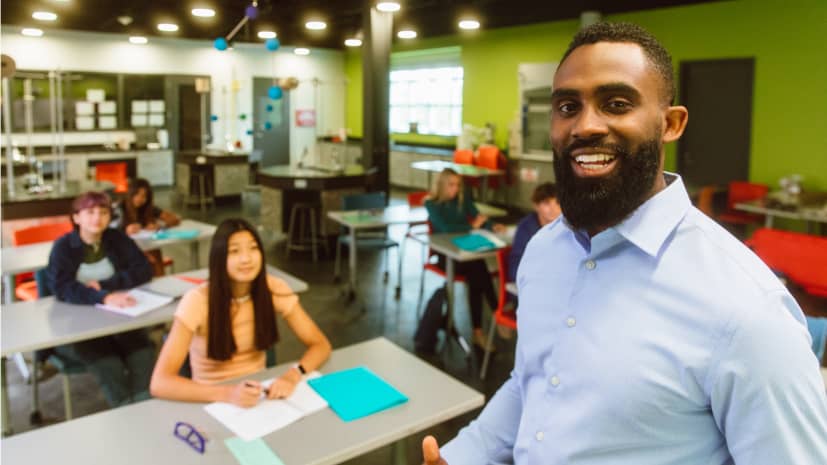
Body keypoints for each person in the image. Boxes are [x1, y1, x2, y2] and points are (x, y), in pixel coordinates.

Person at [422, 22, 827, 464]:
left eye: (616, 104)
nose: (585, 126)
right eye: (568, 106)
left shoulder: (746, 310)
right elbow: (530, 384)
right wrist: (462, 454)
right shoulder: (544, 251)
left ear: (671, 123)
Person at [150, 218, 331, 406]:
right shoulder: (197, 300)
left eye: (253, 248)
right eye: (234, 251)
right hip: (210, 399)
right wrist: (229, 394)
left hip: (259, 396)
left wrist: (293, 375)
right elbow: (160, 383)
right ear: (219, 258)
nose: (246, 259)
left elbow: (320, 344)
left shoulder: (272, 289)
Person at [47, 191, 155, 407]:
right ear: (76, 217)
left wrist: (107, 285)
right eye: (90, 212)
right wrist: (103, 297)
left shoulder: (117, 239)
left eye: (103, 212)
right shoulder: (63, 247)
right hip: (78, 325)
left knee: (143, 353)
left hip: (119, 318)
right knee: (110, 363)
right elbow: (61, 287)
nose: (97, 218)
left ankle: (143, 404)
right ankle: (124, 408)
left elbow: (144, 269)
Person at [425, 168, 502, 352]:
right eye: (451, 185)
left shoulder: (462, 198)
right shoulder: (431, 204)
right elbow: (446, 228)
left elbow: (478, 217)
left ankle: (480, 330)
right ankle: (496, 313)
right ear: (442, 186)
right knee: (478, 269)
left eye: (458, 185)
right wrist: (471, 226)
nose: (456, 189)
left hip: (465, 251)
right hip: (446, 256)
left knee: (477, 271)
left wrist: (492, 226)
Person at [114, 178, 181, 276]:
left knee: (155, 251)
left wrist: (159, 225)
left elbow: (175, 219)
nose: (140, 199)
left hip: (145, 246)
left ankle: (159, 281)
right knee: (151, 257)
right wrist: (125, 230)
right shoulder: (119, 208)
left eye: (144, 196)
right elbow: (108, 232)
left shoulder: (147, 208)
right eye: (136, 194)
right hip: (124, 250)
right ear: (130, 194)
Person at [507, 183, 561, 282]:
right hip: (535, 281)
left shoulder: (566, 225)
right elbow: (515, 268)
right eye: (547, 203)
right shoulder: (526, 228)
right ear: (536, 206)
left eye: (558, 203)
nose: (554, 209)